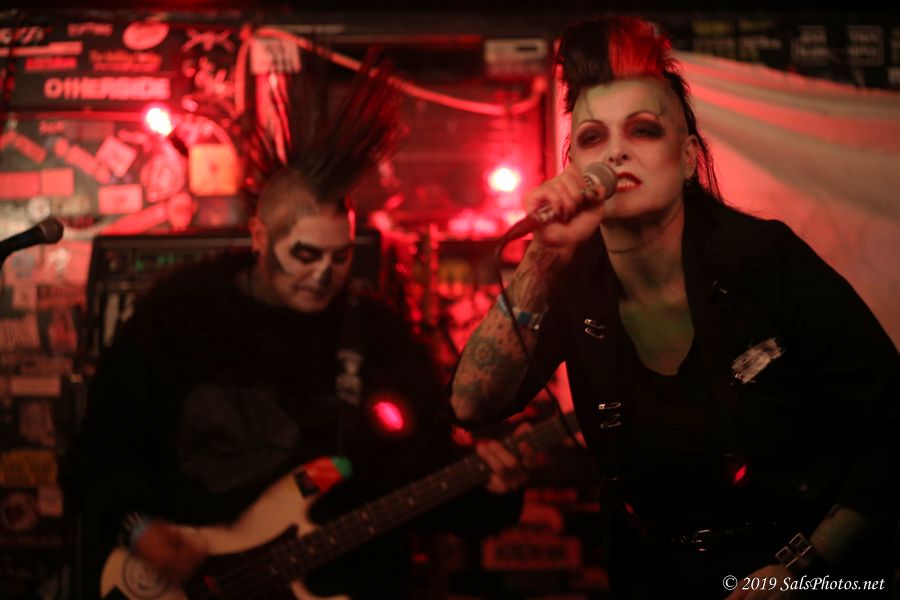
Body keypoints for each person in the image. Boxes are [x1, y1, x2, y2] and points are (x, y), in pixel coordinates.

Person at [451, 16, 899, 599]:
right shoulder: (573, 280)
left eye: (642, 130)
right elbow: (471, 403)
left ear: (687, 158)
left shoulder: (762, 260)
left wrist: (806, 568)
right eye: (592, 138)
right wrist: (545, 255)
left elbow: (892, 422)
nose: (615, 152)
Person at [69, 49, 527, 600]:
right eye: (305, 254)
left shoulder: (373, 334)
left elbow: (418, 472)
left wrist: (493, 489)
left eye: (340, 256)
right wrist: (139, 529)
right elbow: (100, 451)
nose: (323, 274)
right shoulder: (178, 317)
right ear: (260, 237)